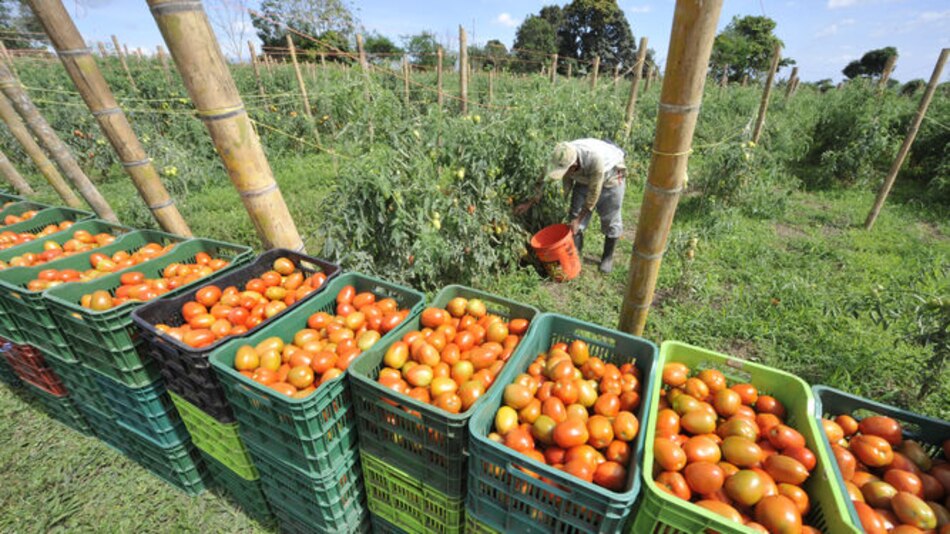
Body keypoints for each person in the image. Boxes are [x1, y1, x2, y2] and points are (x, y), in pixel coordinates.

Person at [516, 139, 627, 273]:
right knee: (574, 219)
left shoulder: (594, 159)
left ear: (574, 166)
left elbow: (594, 193)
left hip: (611, 177)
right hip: (584, 179)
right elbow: (542, 180)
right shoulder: (560, 155)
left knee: (610, 219)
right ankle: (575, 254)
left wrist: (580, 218)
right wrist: (529, 202)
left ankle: (607, 258)